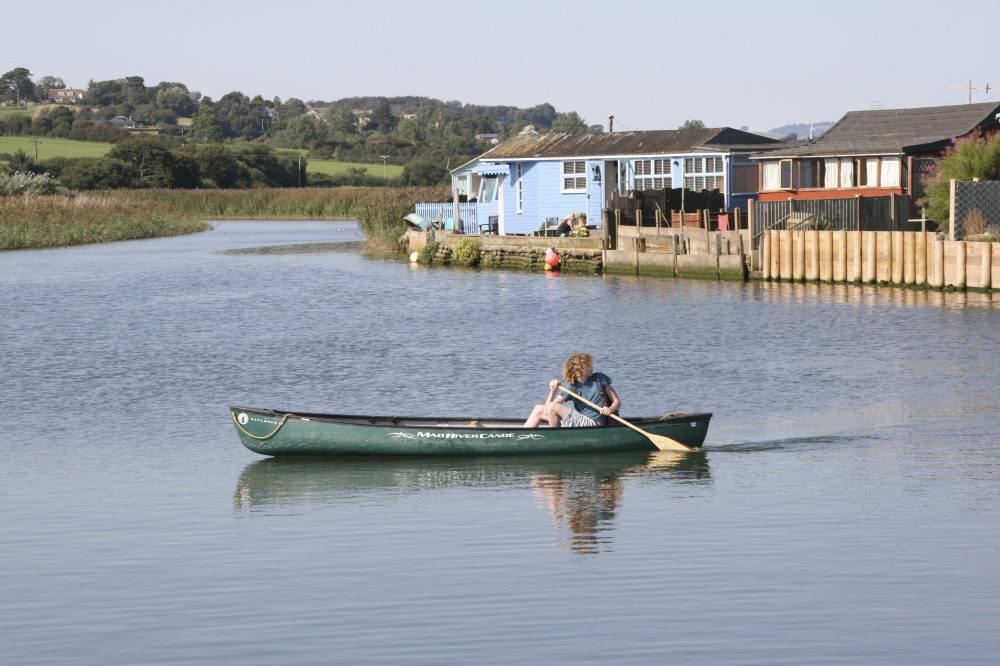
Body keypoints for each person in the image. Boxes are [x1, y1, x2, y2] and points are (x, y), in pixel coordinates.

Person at [524, 353, 621, 428]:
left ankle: (556, 439)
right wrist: (553, 391)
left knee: (553, 406)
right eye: (588, 365)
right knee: (538, 408)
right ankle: (521, 437)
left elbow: (617, 402)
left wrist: (610, 409)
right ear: (579, 370)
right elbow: (547, 411)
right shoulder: (572, 387)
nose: (592, 367)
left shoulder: (600, 378)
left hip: (594, 423)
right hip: (580, 422)